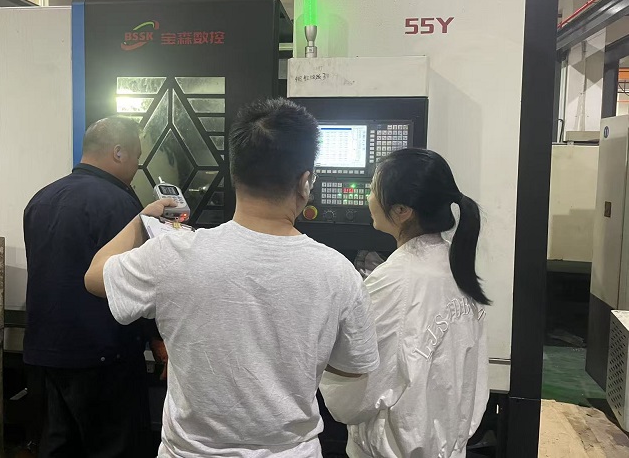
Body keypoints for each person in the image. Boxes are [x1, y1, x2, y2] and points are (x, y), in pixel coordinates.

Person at [84, 98, 381, 457]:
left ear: (234, 174)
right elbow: (354, 366)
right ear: (305, 182)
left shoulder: (173, 254)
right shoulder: (338, 272)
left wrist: (142, 220)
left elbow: (95, 276)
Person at [320, 149, 489, 458]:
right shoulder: (452, 265)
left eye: (373, 189)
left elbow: (355, 395)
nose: (368, 197)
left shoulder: (396, 282)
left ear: (401, 211)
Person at [23, 117, 154, 457]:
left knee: (58, 446)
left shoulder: (40, 199)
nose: (137, 167)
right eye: (137, 156)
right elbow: (135, 282)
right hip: (105, 355)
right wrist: (157, 340)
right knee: (115, 448)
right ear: (118, 152)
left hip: (46, 353)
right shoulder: (120, 204)